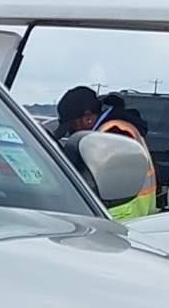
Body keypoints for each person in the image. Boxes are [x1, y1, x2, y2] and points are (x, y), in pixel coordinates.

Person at [52, 85, 157, 220]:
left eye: (72, 126)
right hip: (130, 214)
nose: (71, 132)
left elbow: (98, 184)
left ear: (88, 118)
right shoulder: (119, 128)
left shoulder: (113, 134)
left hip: (121, 216)